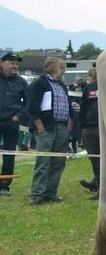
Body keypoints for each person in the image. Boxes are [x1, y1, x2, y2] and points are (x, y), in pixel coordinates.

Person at [25, 56, 73, 205]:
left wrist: (68, 127)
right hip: (46, 128)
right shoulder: (39, 83)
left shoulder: (62, 86)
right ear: (53, 68)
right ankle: (37, 194)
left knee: (58, 161)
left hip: (61, 127)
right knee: (43, 161)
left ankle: (51, 192)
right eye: (62, 67)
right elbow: (32, 107)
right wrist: (40, 128)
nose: (64, 70)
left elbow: (68, 106)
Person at [1, 52, 27, 196]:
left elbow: (29, 102)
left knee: (9, 154)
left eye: (16, 64)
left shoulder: (21, 82)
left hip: (11, 121)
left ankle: (4, 185)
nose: (15, 66)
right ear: (2, 63)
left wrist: (19, 115)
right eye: (12, 63)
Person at [77, 67, 103, 198]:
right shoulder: (89, 88)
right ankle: (98, 185)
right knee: (95, 160)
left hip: (105, 128)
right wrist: (83, 126)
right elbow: (83, 107)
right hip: (90, 128)